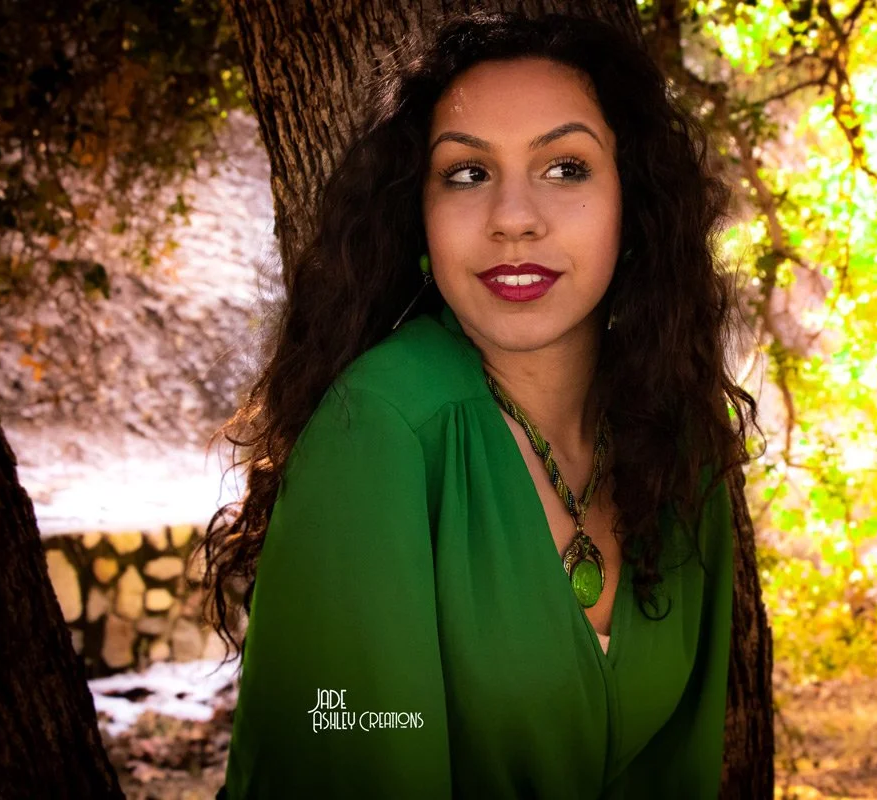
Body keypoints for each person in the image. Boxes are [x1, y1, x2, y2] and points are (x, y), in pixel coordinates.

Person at [201, 10, 759, 798]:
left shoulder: (675, 437)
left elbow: (683, 765)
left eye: (566, 168)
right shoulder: (382, 431)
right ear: (418, 219)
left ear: (634, 206)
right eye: (467, 174)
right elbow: (345, 739)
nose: (513, 218)